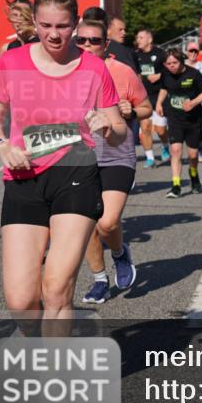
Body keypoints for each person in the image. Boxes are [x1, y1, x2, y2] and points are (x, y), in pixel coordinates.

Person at [0, 0, 126, 335]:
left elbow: (119, 131)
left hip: (76, 174)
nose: (53, 34)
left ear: (75, 24)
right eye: (45, 25)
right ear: (35, 22)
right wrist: (2, 145)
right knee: (20, 301)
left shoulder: (94, 68)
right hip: (23, 178)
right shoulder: (12, 62)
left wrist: (109, 126)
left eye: (62, 26)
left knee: (57, 289)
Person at [73, 16, 151, 303]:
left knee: (107, 222)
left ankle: (119, 253)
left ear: (105, 44)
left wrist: (131, 110)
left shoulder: (122, 71)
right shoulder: (65, 72)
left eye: (94, 40)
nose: (87, 45)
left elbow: (146, 108)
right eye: (81, 40)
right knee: (87, 223)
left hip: (117, 153)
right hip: (80, 156)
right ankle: (99, 280)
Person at [156, 48, 202, 198]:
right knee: (176, 151)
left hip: (193, 119)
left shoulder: (194, 74)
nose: (171, 66)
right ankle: (176, 185)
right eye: (168, 63)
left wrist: (193, 103)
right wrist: (159, 103)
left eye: (174, 62)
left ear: (181, 61)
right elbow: (164, 88)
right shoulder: (166, 73)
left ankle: (193, 174)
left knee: (193, 155)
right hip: (175, 118)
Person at [135, 29, 171, 168]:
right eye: (137, 37)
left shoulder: (161, 54)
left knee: (161, 129)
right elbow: (133, 71)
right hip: (143, 96)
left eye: (141, 37)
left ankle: (164, 146)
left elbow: (171, 69)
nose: (138, 40)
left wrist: (160, 75)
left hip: (159, 95)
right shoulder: (135, 54)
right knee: (145, 127)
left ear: (149, 40)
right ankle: (149, 157)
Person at [185, 41, 202, 163]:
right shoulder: (181, 65)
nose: (193, 53)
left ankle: (199, 146)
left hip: (200, 103)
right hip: (183, 102)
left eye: (195, 51)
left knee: (197, 128)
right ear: (186, 52)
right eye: (191, 51)